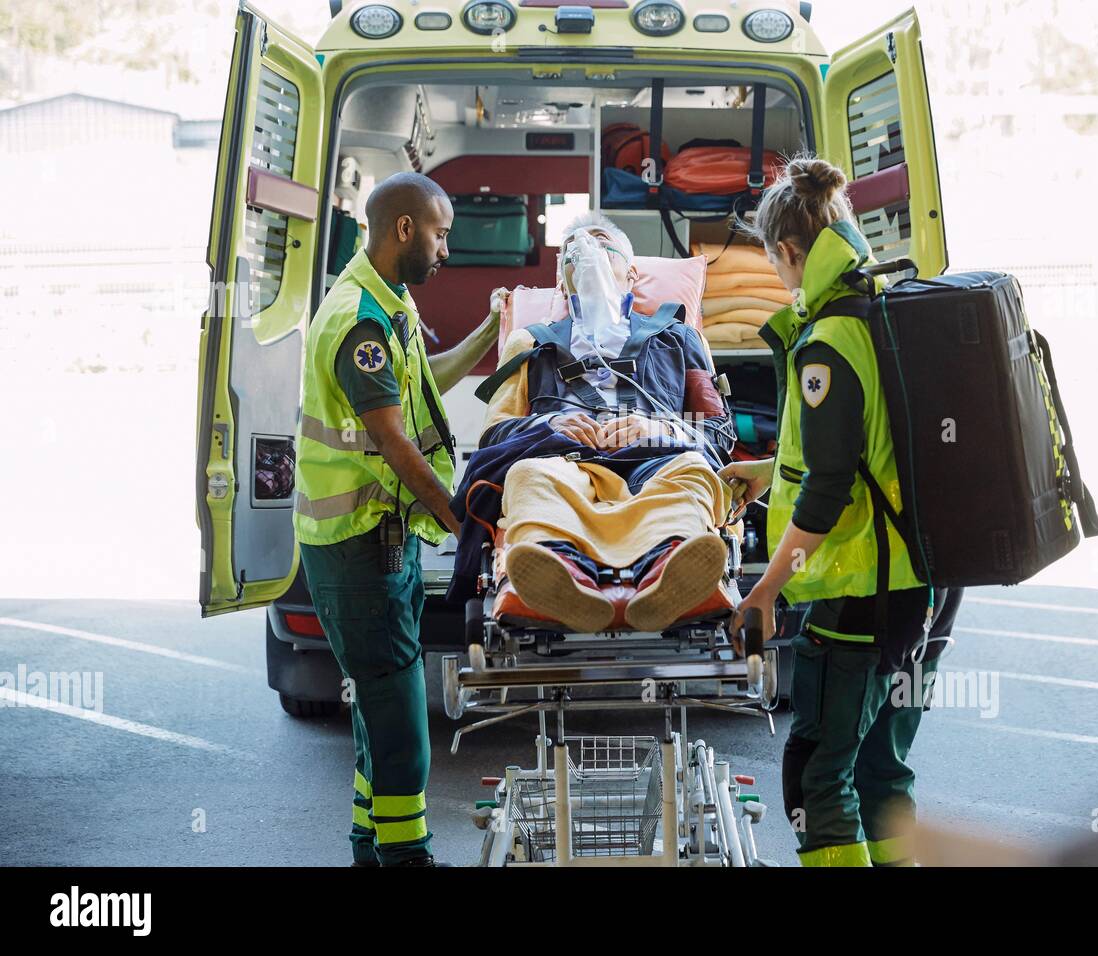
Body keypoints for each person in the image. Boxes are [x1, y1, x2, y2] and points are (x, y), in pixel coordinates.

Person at [721, 155, 955, 867]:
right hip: (932, 577)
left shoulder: (827, 341)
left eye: (774, 262)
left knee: (818, 770)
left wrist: (762, 594)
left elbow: (828, 493)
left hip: (863, 590)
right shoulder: (881, 309)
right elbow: (871, 448)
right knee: (880, 767)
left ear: (790, 252)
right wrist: (767, 473)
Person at [292, 171, 498, 867]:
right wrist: (466, 522)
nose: (447, 248)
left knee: (377, 713)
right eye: (441, 234)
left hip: (384, 540)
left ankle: (368, 845)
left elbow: (425, 380)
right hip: (357, 550)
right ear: (404, 230)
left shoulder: (388, 303)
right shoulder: (361, 323)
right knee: (403, 725)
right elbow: (392, 440)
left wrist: (493, 333)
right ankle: (408, 859)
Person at [458, 212, 737, 633]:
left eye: (602, 241)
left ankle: (668, 573)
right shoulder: (530, 343)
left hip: (655, 464)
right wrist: (548, 427)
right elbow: (494, 435)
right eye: (572, 249)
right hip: (562, 464)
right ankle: (560, 576)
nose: (585, 250)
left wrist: (660, 430)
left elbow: (717, 432)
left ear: (632, 272)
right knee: (527, 476)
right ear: (561, 283)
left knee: (694, 473)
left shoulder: (679, 337)